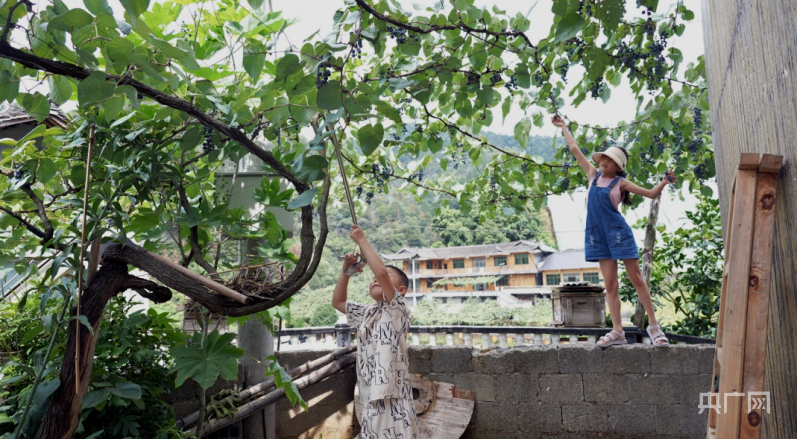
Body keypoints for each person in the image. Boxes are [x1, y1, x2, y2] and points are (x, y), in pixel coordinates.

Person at [551, 115, 675, 347]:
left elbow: (649, 193)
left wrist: (664, 182)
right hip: (597, 236)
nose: (604, 160)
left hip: (619, 233)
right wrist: (563, 127)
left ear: (618, 166)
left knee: (636, 278)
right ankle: (618, 331)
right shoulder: (592, 175)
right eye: (603, 157)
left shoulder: (620, 183)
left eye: (610, 159)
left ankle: (654, 326)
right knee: (610, 285)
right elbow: (575, 148)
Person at [332, 224, 419, 439]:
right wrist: (347, 271)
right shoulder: (367, 312)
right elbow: (338, 301)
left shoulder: (398, 309)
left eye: (385, 278)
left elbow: (379, 272)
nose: (375, 279)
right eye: (373, 280)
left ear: (401, 291)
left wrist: (362, 240)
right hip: (370, 396)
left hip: (394, 397)